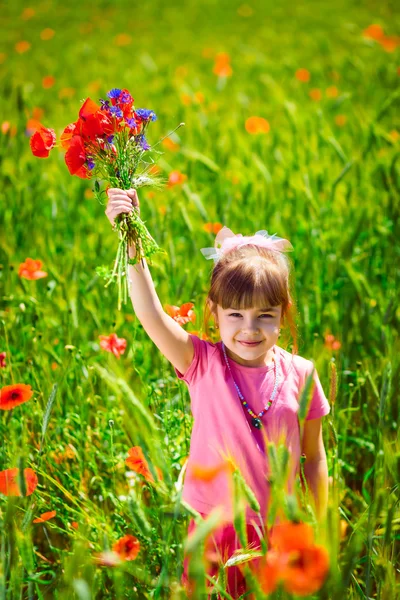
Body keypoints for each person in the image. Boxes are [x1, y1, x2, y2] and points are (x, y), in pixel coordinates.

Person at [105, 187, 331, 599]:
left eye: (265, 315)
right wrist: (131, 240)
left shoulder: (302, 373)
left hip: (281, 534)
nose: (250, 328)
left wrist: (322, 527)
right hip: (214, 534)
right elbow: (150, 315)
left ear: (284, 314)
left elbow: (314, 457)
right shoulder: (201, 363)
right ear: (214, 311)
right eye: (235, 315)